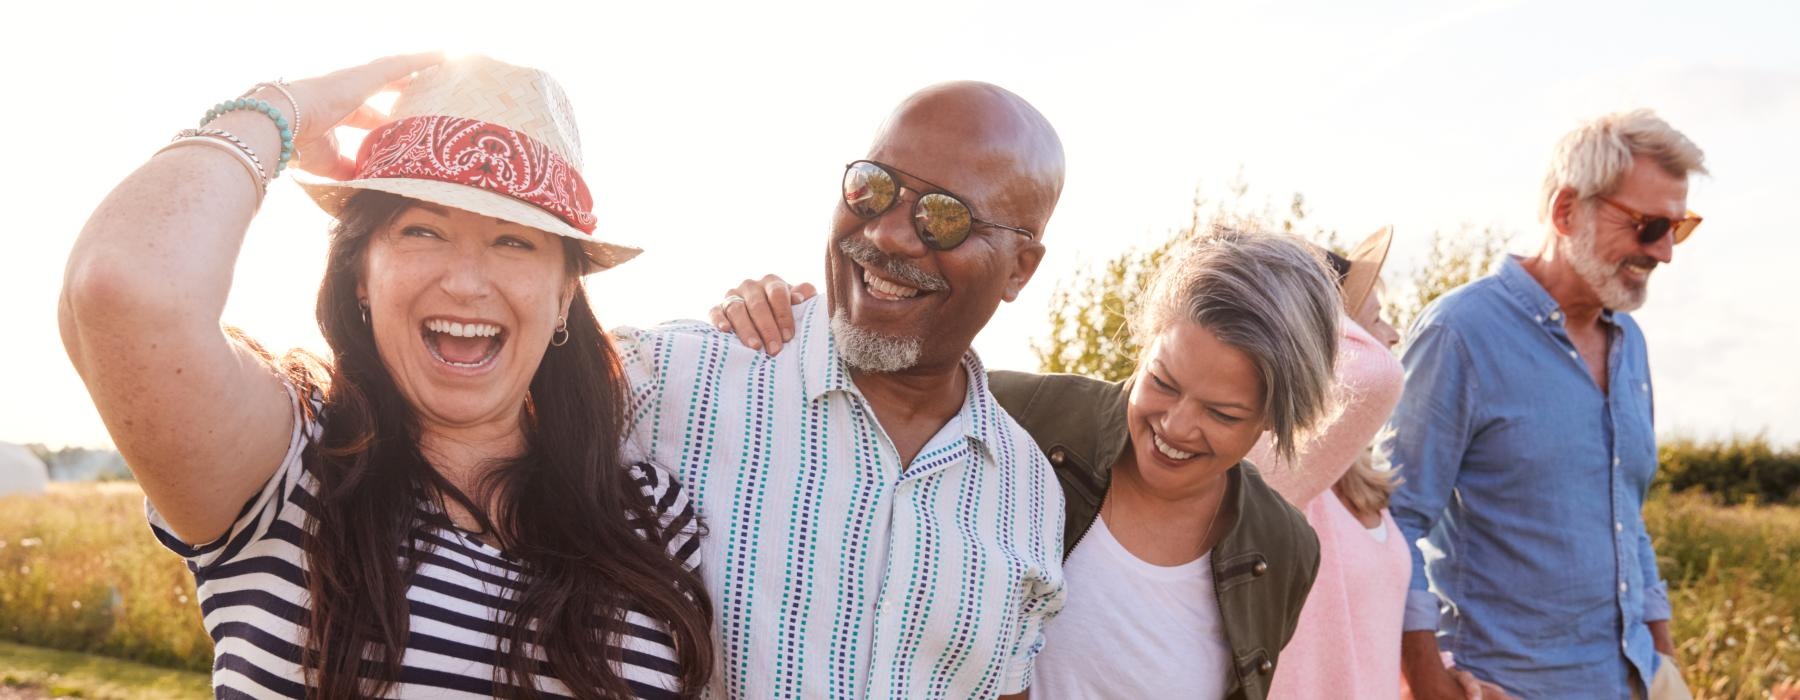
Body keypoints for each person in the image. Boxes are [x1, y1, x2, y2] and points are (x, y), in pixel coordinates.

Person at [59, 56, 711, 699]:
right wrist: (284, 109)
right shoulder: (286, 471)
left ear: (564, 293)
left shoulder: (647, 514)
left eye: (514, 242)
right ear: (360, 277)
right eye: (422, 230)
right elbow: (128, 286)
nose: (465, 282)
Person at [712, 225, 1340, 699]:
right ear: (1144, 346)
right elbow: (856, 376)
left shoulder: (1283, 546)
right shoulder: (1014, 417)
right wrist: (781, 311)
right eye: (1164, 382)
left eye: (1223, 415)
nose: (1176, 427)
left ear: (1276, 418)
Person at [614, 82, 1067, 699]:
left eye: (944, 216)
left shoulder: (1032, 495)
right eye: (873, 187)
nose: (888, 236)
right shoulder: (663, 383)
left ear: (1020, 267)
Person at [1387, 109, 1705, 700]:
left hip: (1636, 679)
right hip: (1512, 685)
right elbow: (1394, 519)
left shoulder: (1630, 344)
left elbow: (1625, 518)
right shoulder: (1460, 334)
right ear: (1566, 212)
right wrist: (1428, 685)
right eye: (1649, 226)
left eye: (1678, 228)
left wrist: (1664, 662)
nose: (1664, 253)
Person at [1253, 228, 1481, 699]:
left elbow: (1367, 623)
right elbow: (1378, 373)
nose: (1393, 335)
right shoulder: (1278, 470)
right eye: (1375, 321)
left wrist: (1441, 674)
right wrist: (1301, 314)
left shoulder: (1355, 478)